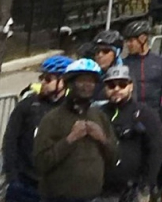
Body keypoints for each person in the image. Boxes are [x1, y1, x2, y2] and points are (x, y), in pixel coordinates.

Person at [33, 59, 117, 202]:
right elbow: (41, 162)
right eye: (81, 81)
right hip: (58, 198)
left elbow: (114, 158)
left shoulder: (99, 116)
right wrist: (70, 139)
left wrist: (102, 138)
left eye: (91, 82)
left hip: (94, 197)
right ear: (69, 84)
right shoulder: (52, 119)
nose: (86, 87)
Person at [3, 55, 70, 202]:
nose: (42, 83)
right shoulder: (28, 105)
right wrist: (12, 178)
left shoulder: (71, 110)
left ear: (63, 82)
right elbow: (10, 140)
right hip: (24, 183)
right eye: (42, 78)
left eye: (48, 79)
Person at [99, 64, 162, 202]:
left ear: (131, 86)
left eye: (122, 84)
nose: (116, 89)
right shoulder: (99, 114)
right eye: (111, 85)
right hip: (102, 190)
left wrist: (146, 185)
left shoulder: (146, 114)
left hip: (133, 190)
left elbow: (156, 151)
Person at [120, 19, 162, 126]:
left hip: (154, 117)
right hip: (130, 117)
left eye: (131, 41)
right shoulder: (123, 64)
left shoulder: (161, 63)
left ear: (142, 39)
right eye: (127, 41)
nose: (128, 44)